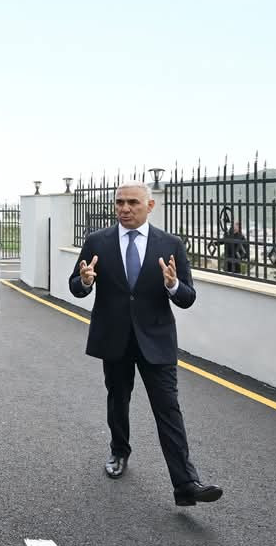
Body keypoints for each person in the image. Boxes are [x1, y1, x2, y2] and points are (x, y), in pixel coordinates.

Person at [69, 181, 223, 506]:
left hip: (157, 339)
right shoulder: (97, 241)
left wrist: (173, 284)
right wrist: (84, 281)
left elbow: (187, 297)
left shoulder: (170, 244)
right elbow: (76, 284)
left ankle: (187, 484)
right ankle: (119, 451)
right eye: (120, 202)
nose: (125, 208)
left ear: (150, 206)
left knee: (168, 409)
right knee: (118, 399)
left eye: (133, 203)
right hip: (114, 337)